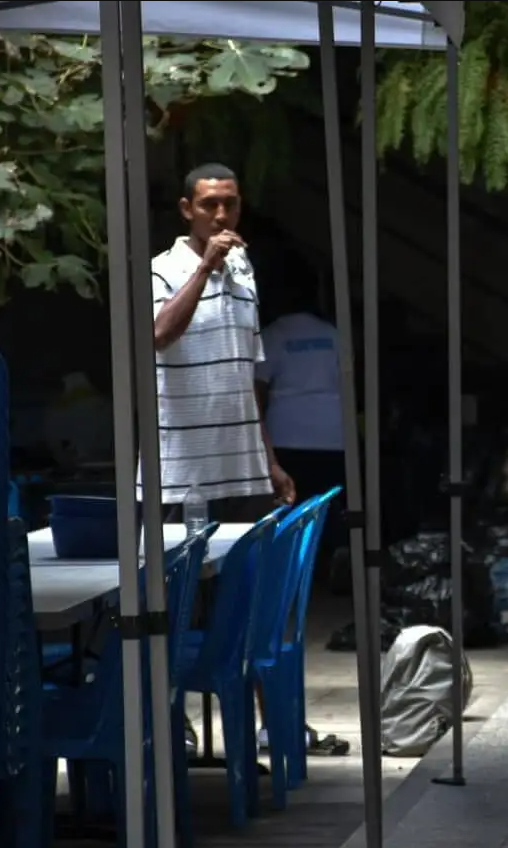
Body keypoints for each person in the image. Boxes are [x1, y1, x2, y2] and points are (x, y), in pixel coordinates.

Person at [149, 162, 296, 755]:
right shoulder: (164, 269)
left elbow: (245, 376)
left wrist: (270, 458)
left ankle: (265, 725)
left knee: (253, 602)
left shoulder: (245, 266)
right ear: (187, 209)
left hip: (241, 463)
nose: (220, 215)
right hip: (178, 469)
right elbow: (159, 334)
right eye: (209, 204)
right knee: (172, 608)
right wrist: (205, 265)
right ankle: (169, 724)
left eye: (229, 205)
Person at [255, 256, 347, 575]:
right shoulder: (335, 335)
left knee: (290, 509)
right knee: (327, 509)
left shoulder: (271, 335)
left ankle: (294, 572)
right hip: (333, 435)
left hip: (286, 435)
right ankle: (324, 567)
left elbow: (258, 393)